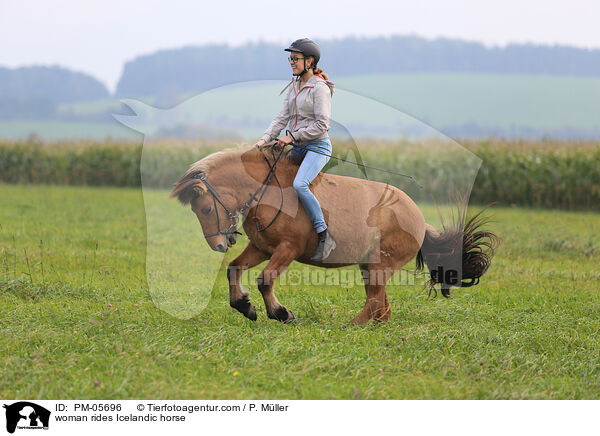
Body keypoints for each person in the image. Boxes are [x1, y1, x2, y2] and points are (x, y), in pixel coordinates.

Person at [254, 38, 336, 262]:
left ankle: (324, 235)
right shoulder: (294, 86)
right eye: (290, 58)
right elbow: (281, 118)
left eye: (295, 59)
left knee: (300, 185)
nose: (291, 62)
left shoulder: (320, 88)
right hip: (297, 146)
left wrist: (292, 137)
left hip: (317, 147)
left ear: (309, 61)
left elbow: (322, 125)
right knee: (271, 177)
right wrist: (263, 141)